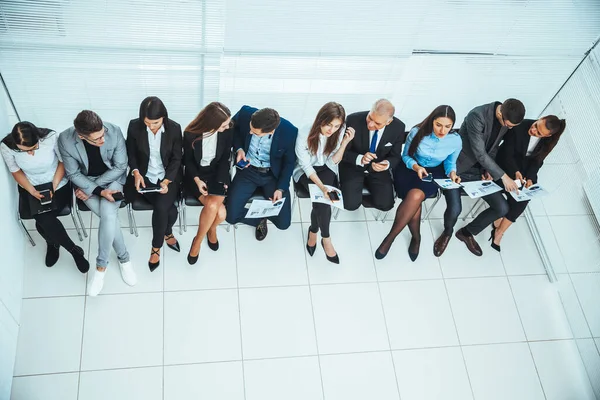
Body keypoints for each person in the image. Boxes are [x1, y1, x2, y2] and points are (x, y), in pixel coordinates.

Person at [432, 98, 526, 257]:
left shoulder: (504, 121)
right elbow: (479, 152)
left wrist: (488, 170)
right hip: (457, 168)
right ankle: (447, 233)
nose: (508, 128)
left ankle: (467, 233)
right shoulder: (477, 115)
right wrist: (502, 176)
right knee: (456, 208)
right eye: (508, 125)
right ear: (500, 112)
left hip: (478, 171)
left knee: (502, 208)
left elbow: (494, 147)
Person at [58, 110, 135, 296]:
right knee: (110, 218)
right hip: (88, 182)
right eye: (96, 139)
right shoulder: (65, 140)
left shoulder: (114, 131)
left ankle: (101, 269)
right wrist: (96, 190)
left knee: (108, 215)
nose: (102, 140)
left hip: (112, 179)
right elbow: (73, 174)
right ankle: (124, 259)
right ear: (80, 136)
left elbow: (120, 166)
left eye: (102, 135)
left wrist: (92, 188)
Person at [374, 105, 461, 261]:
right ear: (432, 121)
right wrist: (416, 167)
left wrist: (452, 174)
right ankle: (416, 238)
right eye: (438, 125)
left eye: (448, 126)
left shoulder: (455, 140)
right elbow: (406, 156)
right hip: (409, 169)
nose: (442, 130)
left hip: (433, 173)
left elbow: (450, 162)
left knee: (416, 195)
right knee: (415, 201)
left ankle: (391, 238)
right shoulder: (417, 132)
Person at [1, 122, 89, 272]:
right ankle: (73, 250)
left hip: (57, 182)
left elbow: (62, 162)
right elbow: (16, 171)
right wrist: (32, 191)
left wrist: (53, 186)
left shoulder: (50, 137)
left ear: (38, 139)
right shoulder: (7, 146)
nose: (30, 153)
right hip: (31, 186)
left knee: (41, 221)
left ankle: (53, 243)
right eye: (24, 151)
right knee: (43, 218)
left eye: (33, 148)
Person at [489, 115, 566, 251]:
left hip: (524, 171)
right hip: (505, 165)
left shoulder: (549, 142)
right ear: (539, 119)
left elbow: (538, 161)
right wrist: (515, 172)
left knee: (523, 200)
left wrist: (530, 177)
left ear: (547, 136)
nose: (534, 130)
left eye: (539, 132)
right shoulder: (520, 126)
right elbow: (507, 153)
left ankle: (499, 231)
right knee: (511, 191)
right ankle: (498, 216)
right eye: (536, 125)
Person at [125, 96, 182, 272]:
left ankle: (155, 248)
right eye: (147, 122)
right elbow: (131, 154)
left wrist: (166, 180)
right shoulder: (134, 126)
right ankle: (167, 233)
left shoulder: (174, 128)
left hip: (167, 177)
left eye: (155, 122)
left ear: (163, 116)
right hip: (144, 176)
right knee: (169, 210)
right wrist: (136, 173)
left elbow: (176, 158)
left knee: (162, 209)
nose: (151, 126)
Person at [293, 102, 355, 264]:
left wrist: (344, 143)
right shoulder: (305, 132)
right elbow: (306, 166)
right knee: (322, 198)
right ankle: (326, 238)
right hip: (306, 171)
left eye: (336, 126)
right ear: (321, 119)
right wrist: (323, 188)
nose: (331, 130)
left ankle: (314, 231)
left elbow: (333, 161)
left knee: (321, 202)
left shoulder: (339, 131)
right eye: (329, 125)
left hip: (327, 167)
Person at [225, 106, 298, 240]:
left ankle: (264, 213)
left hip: (272, 176)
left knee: (283, 224)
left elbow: (289, 164)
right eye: (250, 129)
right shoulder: (245, 113)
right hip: (248, 170)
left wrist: (281, 188)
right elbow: (231, 129)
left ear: (271, 131)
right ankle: (258, 220)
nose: (251, 133)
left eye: (256, 133)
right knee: (230, 216)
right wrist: (240, 149)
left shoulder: (290, 132)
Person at [183, 102, 233, 264]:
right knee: (220, 213)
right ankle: (208, 232)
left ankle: (200, 237)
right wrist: (197, 180)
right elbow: (188, 162)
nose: (227, 127)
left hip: (216, 174)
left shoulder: (227, 132)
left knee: (217, 210)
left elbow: (225, 159)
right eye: (224, 125)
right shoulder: (190, 134)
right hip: (196, 176)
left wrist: (223, 180)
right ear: (212, 123)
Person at [339, 99, 406, 212]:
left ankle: (367, 191)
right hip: (353, 165)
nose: (370, 124)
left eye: (377, 123)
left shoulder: (398, 127)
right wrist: (360, 158)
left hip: (378, 169)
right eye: (370, 118)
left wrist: (386, 164)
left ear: (388, 122)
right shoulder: (353, 120)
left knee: (386, 205)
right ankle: (356, 194)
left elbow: (395, 156)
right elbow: (342, 151)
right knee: (350, 205)